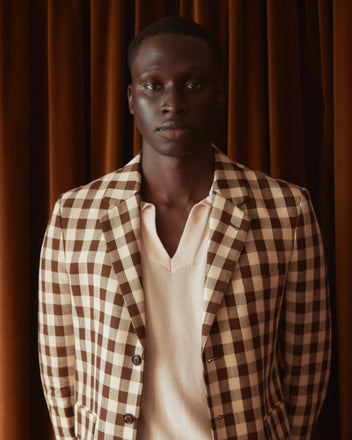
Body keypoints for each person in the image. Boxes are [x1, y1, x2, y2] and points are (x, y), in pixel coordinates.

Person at [38, 16, 331, 440]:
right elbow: (58, 362)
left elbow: (307, 363)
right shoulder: (75, 215)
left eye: (193, 84)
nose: (173, 103)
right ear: (131, 98)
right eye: (153, 85)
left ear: (220, 94)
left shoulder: (285, 210)